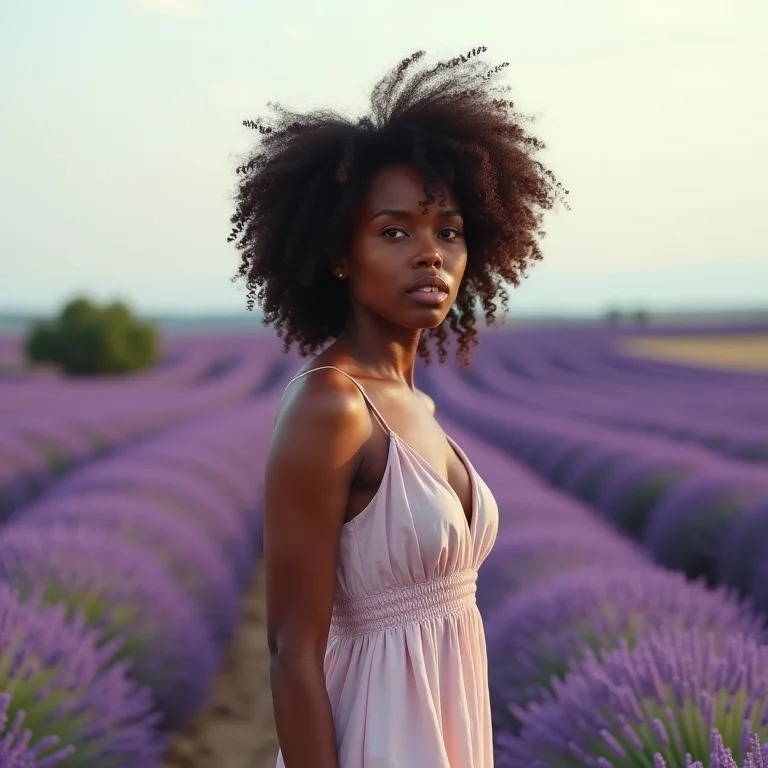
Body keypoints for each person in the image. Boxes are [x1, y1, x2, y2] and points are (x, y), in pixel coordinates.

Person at [228, 47, 567, 768]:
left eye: (449, 230)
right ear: (338, 254)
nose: (430, 253)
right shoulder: (333, 406)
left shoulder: (417, 405)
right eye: (394, 231)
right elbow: (291, 653)